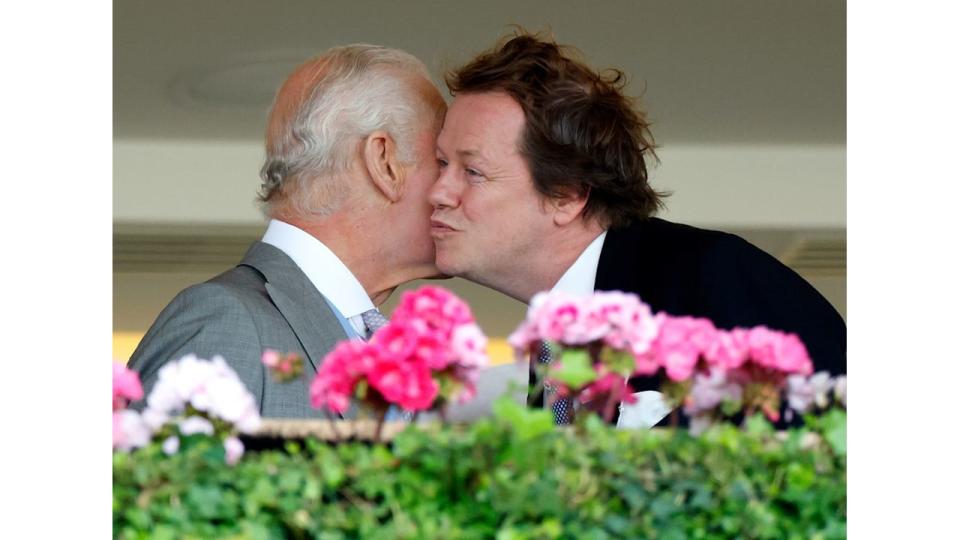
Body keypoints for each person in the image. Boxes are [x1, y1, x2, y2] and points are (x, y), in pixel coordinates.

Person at [428, 31, 846, 425]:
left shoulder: (712, 277)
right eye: (443, 164)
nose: (439, 191)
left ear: (567, 196)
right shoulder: (554, 351)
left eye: (474, 171)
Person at [127, 44, 447, 418]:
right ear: (384, 163)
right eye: (442, 161)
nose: (457, 188)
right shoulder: (227, 323)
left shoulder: (375, 343)